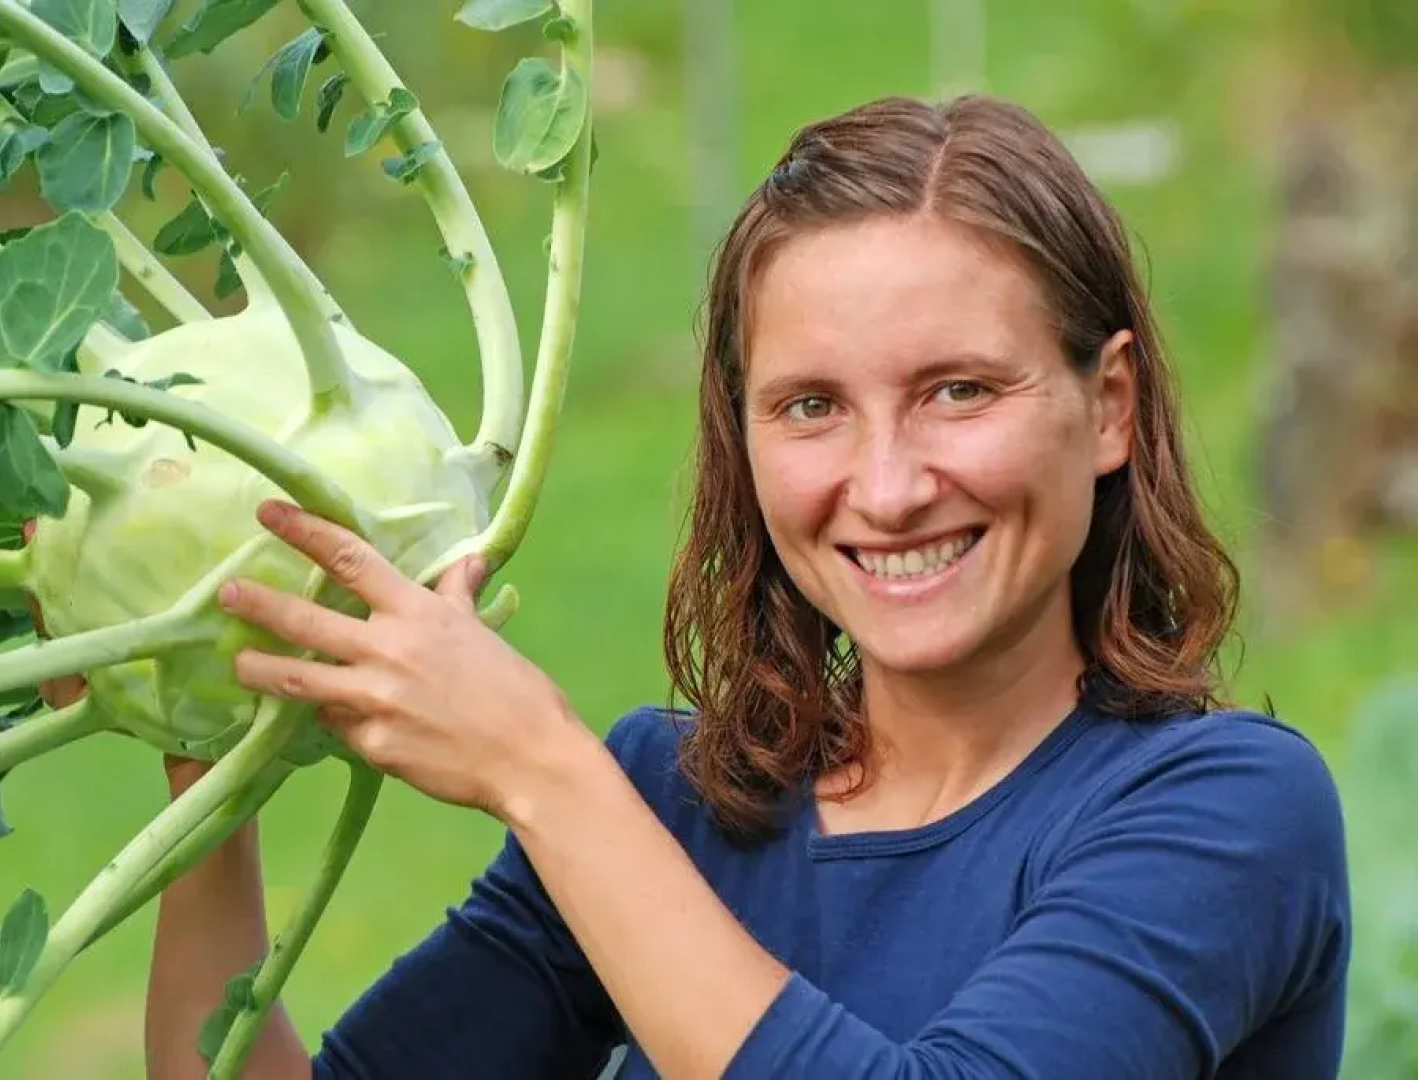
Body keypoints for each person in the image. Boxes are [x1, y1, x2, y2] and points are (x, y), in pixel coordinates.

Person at [123, 94, 1351, 1078]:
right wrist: (203, 756)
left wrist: (541, 770)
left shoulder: (1226, 814)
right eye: (811, 407)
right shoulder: (679, 803)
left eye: (958, 390)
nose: (887, 486)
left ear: (1109, 409)